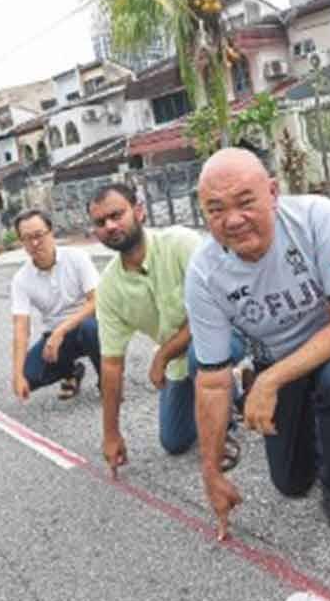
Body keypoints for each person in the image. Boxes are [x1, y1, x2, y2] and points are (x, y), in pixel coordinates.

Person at [185, 148, 330, 541]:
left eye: (245, 202)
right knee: (291, 483)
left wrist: (269, 382)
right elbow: (210, 380)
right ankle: (318, 415)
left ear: (273, 193)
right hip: (277, 357)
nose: (234, 220)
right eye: (216, 209)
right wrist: (210, 473)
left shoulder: (315, 217)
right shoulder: (204, 274)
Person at [88, 183, 245, 477]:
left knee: (202, 354)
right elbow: (111, 364)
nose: (109, 226)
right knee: (173, 441)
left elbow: (215, 313)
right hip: (178, 361)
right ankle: (236, 387)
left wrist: (162, 355)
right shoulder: (109, 287)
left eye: (116, 215)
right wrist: (111, 434)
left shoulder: (181, 243)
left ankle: (221, 433)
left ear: (138, 211)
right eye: (100, 222)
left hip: (225, 335)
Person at [10, 209, 101, 403]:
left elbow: (97, 301)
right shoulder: (21, 279)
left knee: (90, 328)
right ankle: (72, 371)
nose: (34, 243)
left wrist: (60, 331)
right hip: (56, 339)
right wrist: (17, 375)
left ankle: (108, 380)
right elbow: (20, 328)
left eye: (38, 235)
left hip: (90, 326)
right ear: (21, 242)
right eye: (27, 238)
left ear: (51, 232)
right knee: (29, 377)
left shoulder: (77, 257)